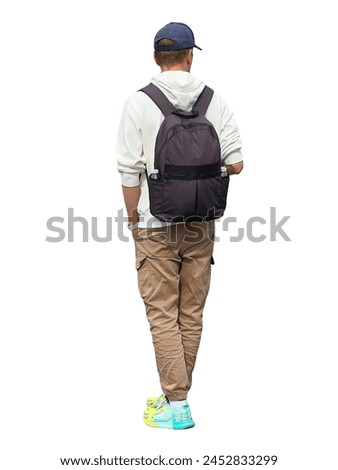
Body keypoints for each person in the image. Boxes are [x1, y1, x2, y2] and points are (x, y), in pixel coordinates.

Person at [116, 22, 243, 430]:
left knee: (161, 314)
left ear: (157, 58)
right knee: (190, 312)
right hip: (202, 224)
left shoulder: (139, 102)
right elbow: (237, 164)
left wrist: (134, 222)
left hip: (156, 223)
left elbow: (129, 172)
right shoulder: (214, 101)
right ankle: (177, 395)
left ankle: (177, 405)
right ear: (190, 55)